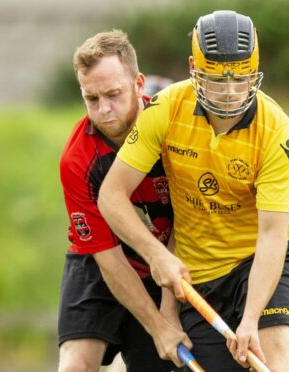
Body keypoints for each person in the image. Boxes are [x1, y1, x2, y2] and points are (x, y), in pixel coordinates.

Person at [98, 10, 289, 371]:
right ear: (194, 67)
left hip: (258, 262)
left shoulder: (276, 130)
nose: (228, 92)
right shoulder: (165, 110)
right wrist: (156, 255)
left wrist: (252, 318)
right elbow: (111, 196)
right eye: (215, 79)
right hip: (199, 276)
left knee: (277, 361)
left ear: (255, 71)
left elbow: (272, 234)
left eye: (239, 80)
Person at [57, 30, 191, 372]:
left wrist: (168, 311)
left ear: (138, 83)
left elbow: (186, 226)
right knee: (75, 366)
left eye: (113, 94)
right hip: (102, 264)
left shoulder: (173, 134)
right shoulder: (77, 160)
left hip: (170, 260)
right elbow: (109, 260)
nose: (104, 110)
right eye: (91, 99)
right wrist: (157, 326)